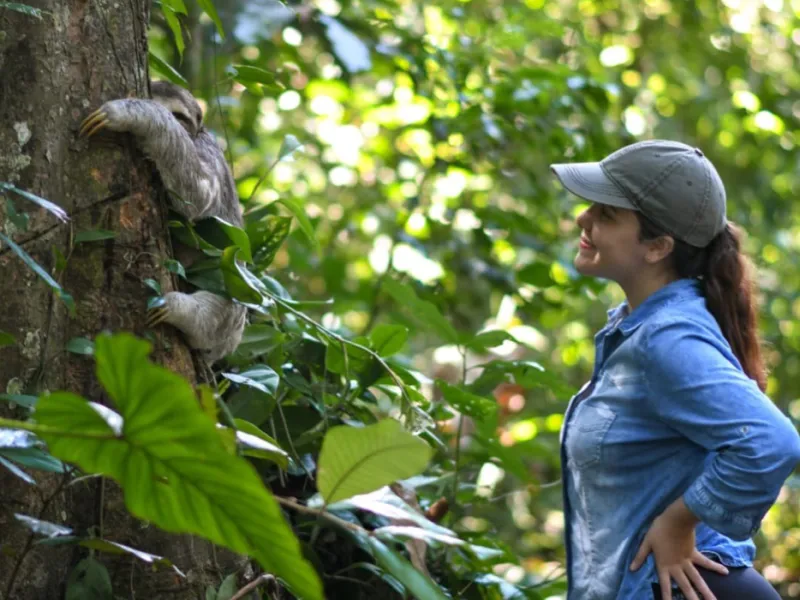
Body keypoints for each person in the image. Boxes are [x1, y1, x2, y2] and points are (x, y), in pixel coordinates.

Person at [549, 140, 800, 600]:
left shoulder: (667, 337)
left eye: (607, 214)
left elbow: (771, 441)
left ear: (658, 246)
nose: (584, 218)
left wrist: (678, 522)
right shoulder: (641, 328)